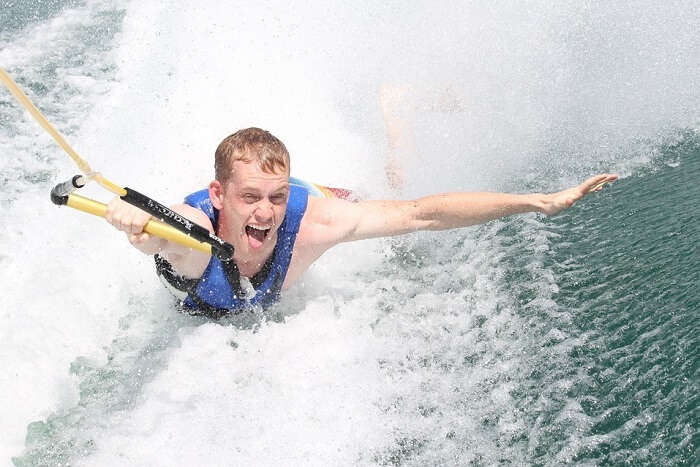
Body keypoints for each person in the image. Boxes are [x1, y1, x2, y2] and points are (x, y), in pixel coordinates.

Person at [105, 127, 617, 317]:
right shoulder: (200, 233)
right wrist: (138, 221)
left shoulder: (308, 223)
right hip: (199, 253)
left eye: (275, 197)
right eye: (250, 198)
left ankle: (398, 124)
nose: (264, 213)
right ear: (221, 195)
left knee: (388, 200)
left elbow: (424, 214)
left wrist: (538, 202)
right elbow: (161, 234)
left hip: (321, 198)